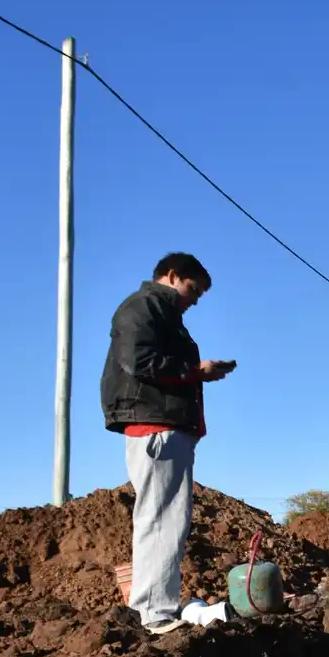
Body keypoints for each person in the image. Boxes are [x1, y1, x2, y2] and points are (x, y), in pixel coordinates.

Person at [100, 252, 236, 634]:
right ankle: (153, 613)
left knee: (164, 518)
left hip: (163, 427)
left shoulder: (161, 315)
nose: (194, 300)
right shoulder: (142, 307)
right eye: (193, 290)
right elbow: (138, 360)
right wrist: (195, 372)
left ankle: (154, 607)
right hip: (155, 427)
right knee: (162, 519)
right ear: (172, 276)